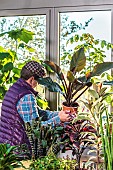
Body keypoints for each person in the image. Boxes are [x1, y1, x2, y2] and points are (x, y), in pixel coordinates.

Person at [0, 60, 71, 157]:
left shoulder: (15, 89)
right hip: (18, 151)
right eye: (38, 81)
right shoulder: (26, 96)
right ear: (32, 79)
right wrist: (59, 119)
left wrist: (59, 114)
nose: (38, 84)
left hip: (7, 147)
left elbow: (38, 112)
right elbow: (35, 129)